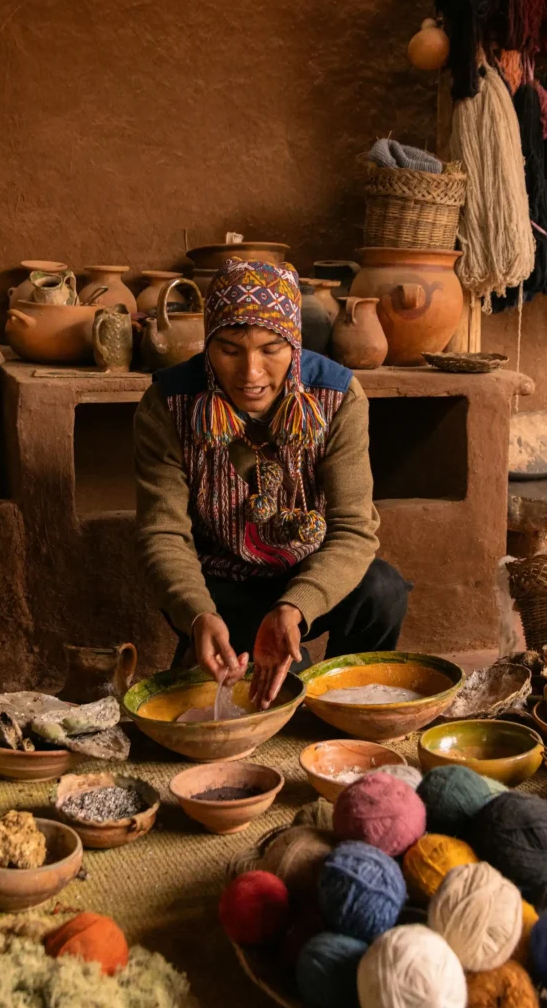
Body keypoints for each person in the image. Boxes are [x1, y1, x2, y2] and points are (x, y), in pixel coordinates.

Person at [134, 258, 411, 709]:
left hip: (305, 575)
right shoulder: (168, 404)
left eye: (270, 349)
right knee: (258, 697)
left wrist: (296, 607)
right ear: (208, 343)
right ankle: (210, 653)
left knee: (382, 590)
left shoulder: (337, 397)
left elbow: (354, 530)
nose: (251, 373)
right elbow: (163, 532)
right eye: (229, 349)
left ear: (294, 344)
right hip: (219, 583)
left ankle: (346, 706)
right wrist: (198, 614)